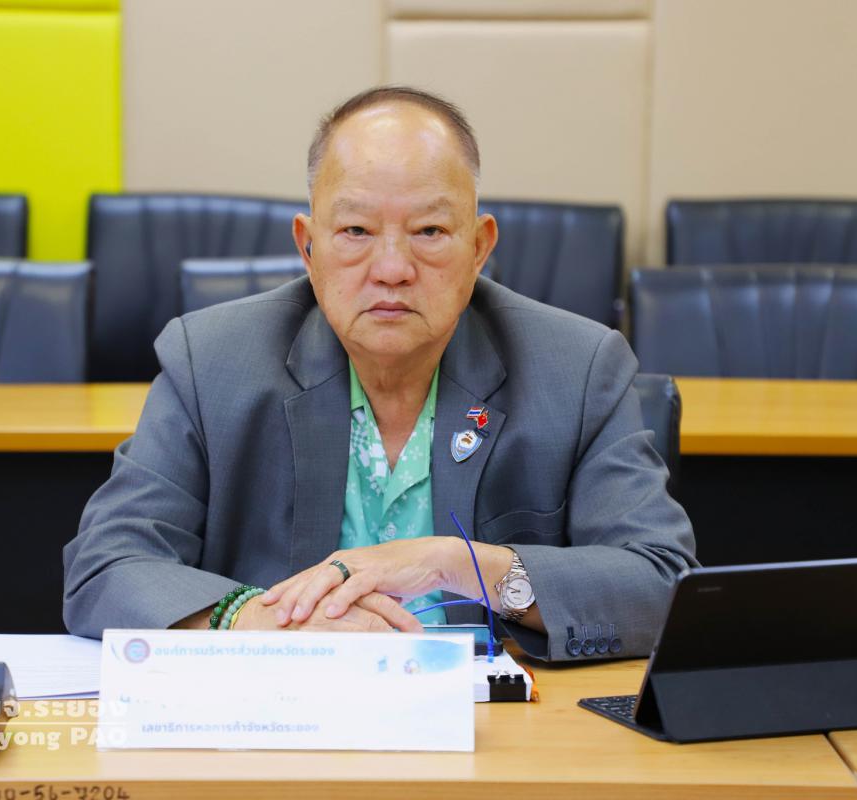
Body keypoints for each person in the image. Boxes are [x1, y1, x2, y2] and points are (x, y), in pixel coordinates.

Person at [63, 86, 696, 660]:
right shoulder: (211, 361)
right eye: (356, 230)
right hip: (278, 720)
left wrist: (459, 564)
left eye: (429, 230)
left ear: (479, 247)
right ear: (308, 246)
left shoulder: (578, 369)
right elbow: (105, 566)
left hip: (496, 728)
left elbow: (662, 583)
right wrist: (253, 618)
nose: (392, 268)